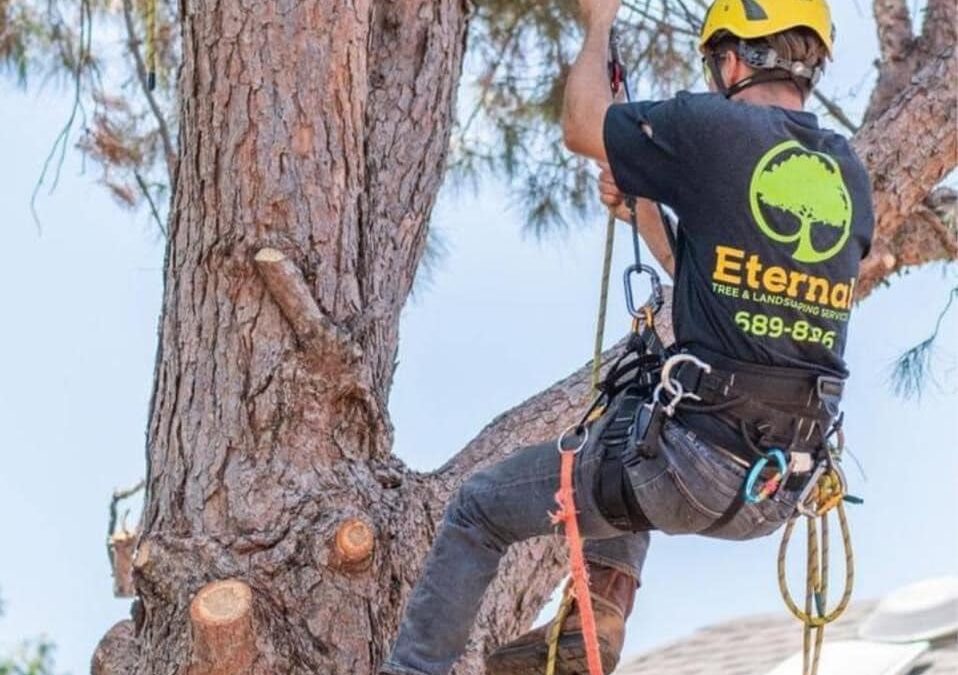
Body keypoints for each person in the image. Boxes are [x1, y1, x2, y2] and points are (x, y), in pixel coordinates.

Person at [380, 0, 874, 673]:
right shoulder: (846, 173)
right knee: (638, 397)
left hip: (690, 465)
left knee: (478, 509)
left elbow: (582, 124)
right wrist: (644, 208)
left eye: (712, 66)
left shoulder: (715, 128)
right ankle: (598, 617)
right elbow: (707, 276)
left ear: (733, 58)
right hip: (777, 488)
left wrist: (598, 25)